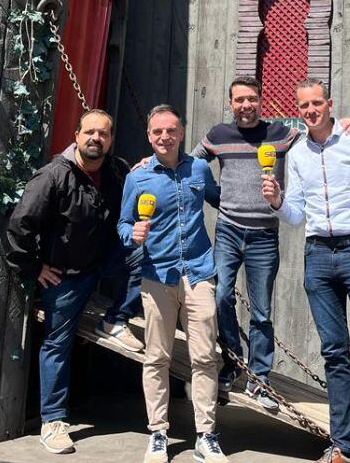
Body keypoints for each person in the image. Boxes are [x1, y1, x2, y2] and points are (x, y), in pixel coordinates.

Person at [191, 76, 350, 411]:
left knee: (262, 312)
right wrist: (212, 195)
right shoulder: (218, 135)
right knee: (222, 296)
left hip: (264, 237)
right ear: (231, 103)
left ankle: (260, 379)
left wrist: (346, 123)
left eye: (251, 99)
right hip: (227, 230)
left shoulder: (281, 134)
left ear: (260, 101)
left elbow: (318, 130)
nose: (245, 105)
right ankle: (232, 362)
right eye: (239, 100)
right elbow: (191, 164)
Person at [261, 79, 350, 463]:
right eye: (304, 106)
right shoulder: (296, 155)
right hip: (318, 256)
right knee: (334, 354)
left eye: (316, 104)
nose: (310, 111)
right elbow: (296, 214)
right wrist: (277, 201)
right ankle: (343, 445)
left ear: (329, 103)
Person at [1, 109, 144, 455]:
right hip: (65, 277)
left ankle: (115, 319)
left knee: (145, 250)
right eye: (90, 132)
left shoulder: (114, 170)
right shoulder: (53, 176)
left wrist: (143, 170)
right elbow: (20, 225)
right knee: (56, 345)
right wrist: (33, 267)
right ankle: (53, 420)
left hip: (102, 264)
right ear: (77, 135)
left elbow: (136, 183)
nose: (96, 138)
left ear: (110, 140)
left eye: (104, 134)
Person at [118, 104, 228, 463]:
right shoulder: (138, 178)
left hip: (198, 273)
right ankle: (158, 433)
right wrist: (131, 233)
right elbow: (122, 225)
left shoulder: (198, 168)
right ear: (149, 137)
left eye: (171, 130)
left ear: (181, 133)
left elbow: (222, 200)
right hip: (157, 276)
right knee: (157, 358)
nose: (164, 137)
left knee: (204, 357)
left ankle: (206, 435)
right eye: (157, 132)